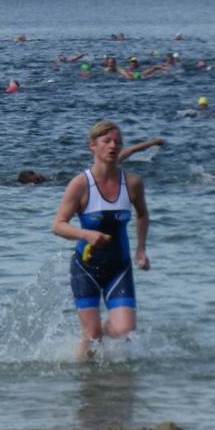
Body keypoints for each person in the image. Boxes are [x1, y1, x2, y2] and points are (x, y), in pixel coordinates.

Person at [52, 120, 150, 359]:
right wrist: (86, 234)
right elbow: (58, 225)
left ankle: (105, 327)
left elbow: (142, 214)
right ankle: (83, 376)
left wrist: (140, 249)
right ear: (93, 146)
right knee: (91, 336)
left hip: (119, 266)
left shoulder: (132, 183)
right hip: (86, 268)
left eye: (117, 142)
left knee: (125, 331)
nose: (113, 146)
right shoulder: (80, 184)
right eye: (107, 141)